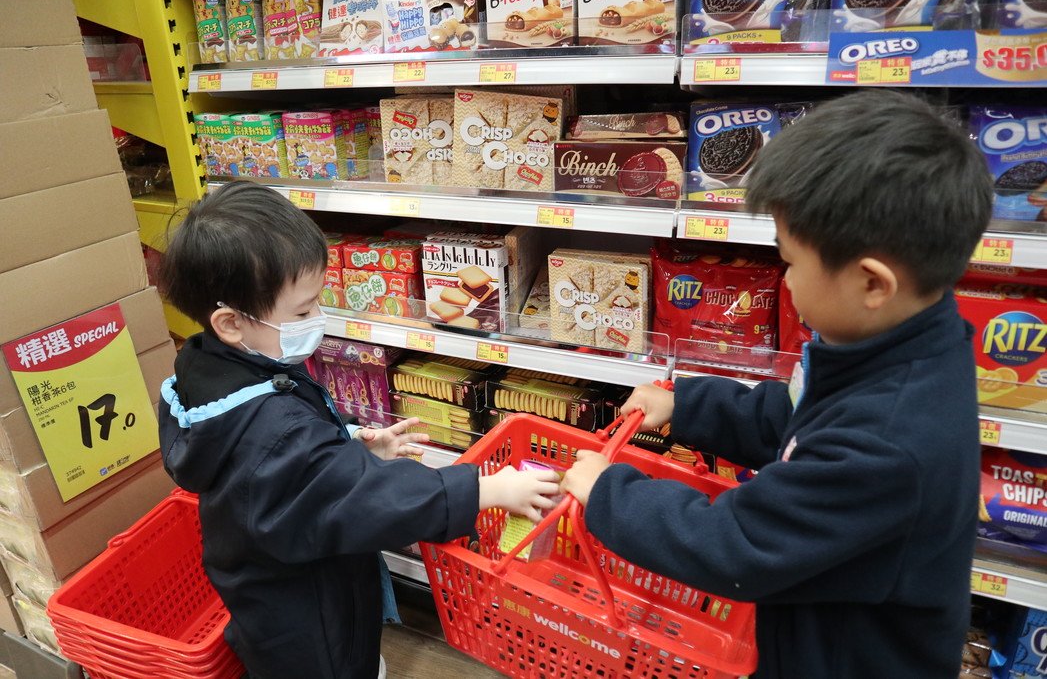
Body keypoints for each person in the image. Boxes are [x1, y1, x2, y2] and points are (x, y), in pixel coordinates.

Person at [561, 90, 994, 678]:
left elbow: (739, 544)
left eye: (790, 262)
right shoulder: (888, 345)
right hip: (815, 632)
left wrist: (610, 493)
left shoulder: (889, 441)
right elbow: (797, 419)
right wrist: (689, 404)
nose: (784, 281)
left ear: (872, 283)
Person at [157, 181, 560, 679]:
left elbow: (283, 468)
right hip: (309, 607)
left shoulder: (210, 369)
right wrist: (484, 490)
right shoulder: (274, 429)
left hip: (267, 577)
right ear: (231, 323)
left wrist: (347, 443)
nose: (318, 318)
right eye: (303, 311)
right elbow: (362, 496)